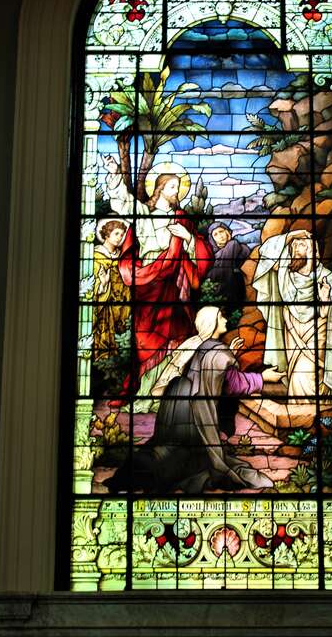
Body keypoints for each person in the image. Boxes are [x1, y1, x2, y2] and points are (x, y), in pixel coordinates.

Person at [104, 306, 278, 494]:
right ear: (212, 324)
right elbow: (234, 384)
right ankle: (144, 475)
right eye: (221, 317)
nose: (226, 320)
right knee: (187, 457)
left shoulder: (200, 346)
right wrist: (263, 378)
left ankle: (131, 475)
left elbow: (213, 375)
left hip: (180, 407)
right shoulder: (216, 352)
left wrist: (229, 356)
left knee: (171, 451)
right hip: (195, 414)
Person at [102, 156, 213, 411]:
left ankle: (167, 392)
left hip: (174, 284)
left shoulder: (181, 218)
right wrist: (115, 173)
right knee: (144, 339)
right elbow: (123, 202)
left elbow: (202, 254)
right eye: (172, 187)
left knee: (176, 334)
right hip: (147, 284)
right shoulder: (143, 214)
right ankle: (142, 390)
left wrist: (187, 238)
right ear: (160, 188)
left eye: (178, 188)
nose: (177, 192)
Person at [252, 230, 332, 400]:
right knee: (295, 376)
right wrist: (293, 235)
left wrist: (327, 302)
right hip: (292, 333)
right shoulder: (284, 273)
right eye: (295, 245)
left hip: (317, 332)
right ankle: (303, 414)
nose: (297, 249)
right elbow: (266, 251)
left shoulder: (325, 276)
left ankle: (316, 412)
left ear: (313, 250)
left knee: (304, 377)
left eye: (303, 245)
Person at [93, 218, 130, 361]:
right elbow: (92, 287)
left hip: (121, 304)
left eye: (122, 235)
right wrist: (103, 284)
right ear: (107, 234)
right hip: (105, 304)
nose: (119, 238)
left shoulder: (122, 256)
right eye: (116, 234)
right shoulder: (96, 256)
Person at [206, 222, 250, 307]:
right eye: (215, 234)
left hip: (239, 291)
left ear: (227, 232)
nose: (220, 236)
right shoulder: (211, 255)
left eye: (221, 231)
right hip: (218, 291)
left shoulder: (243, 248)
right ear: (212, 239)